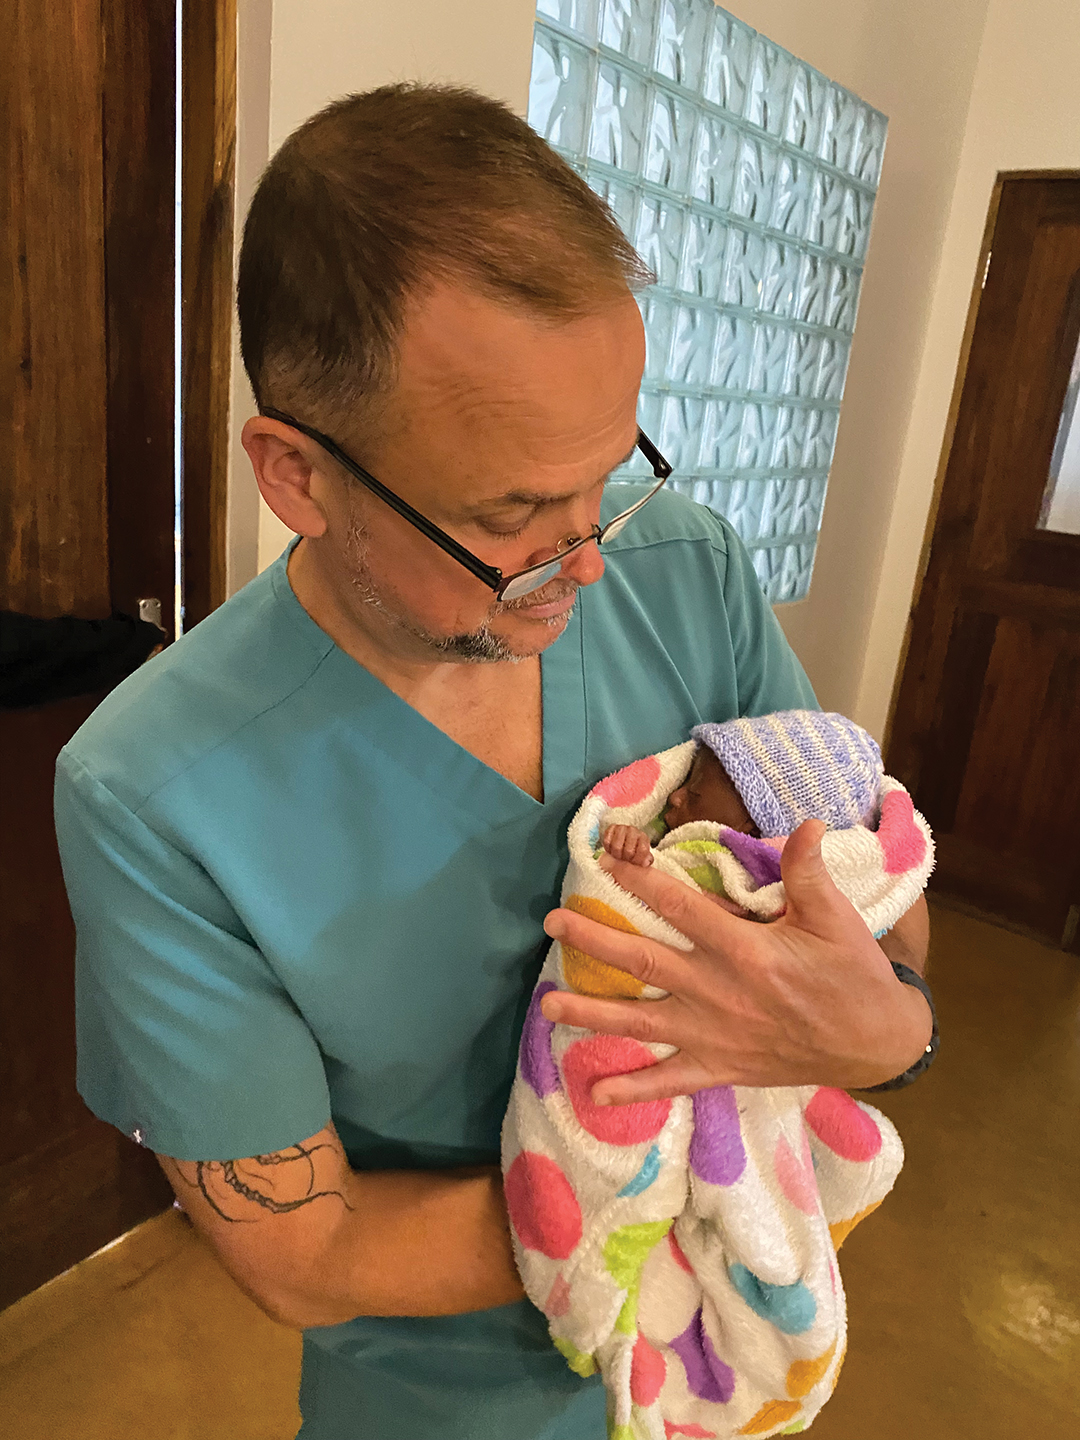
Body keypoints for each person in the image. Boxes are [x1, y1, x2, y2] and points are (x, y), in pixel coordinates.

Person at [54, 84, 932, 1440]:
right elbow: (304, 1253)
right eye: (514, 516)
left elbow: (862, 864)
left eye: (606, 475)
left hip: (747, 1361)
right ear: (296, 473)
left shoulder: (680, 566)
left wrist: (895, 1025)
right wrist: (656, 1181)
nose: (588, 558)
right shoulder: (157, 794)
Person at [501, 712, 935, 1437]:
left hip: (750, 1094)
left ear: (770, 825)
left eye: (698, 791)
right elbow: (630, 883)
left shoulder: (782, 883)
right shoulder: (686, 846)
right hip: (638, 1054)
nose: (674, 800)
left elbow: (880, 937)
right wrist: (634, 854)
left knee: (759, 1222)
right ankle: (618, 1299)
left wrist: (897, 1031)